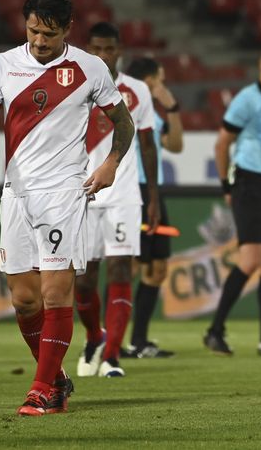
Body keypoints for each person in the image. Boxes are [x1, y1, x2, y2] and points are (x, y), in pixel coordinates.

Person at [0, 0, 134, 415]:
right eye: (33, 31)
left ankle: (40, 388)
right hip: (16, 192)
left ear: (67, 29)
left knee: (53, 292)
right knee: (24, 300)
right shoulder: (3, 65)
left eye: (48, 33)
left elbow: (124, 123)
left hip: (65, 191)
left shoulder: (90, 67)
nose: (39, 41)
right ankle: (58, 379)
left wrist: (112, 163)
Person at [74, 22, 160, 378]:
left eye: (109, 49)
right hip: (81, 192)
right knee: (84, 280)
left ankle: (111, 356)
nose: (103, 55)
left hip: (124, 194)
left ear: (119, 50)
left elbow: (147, 144)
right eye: (96, 48)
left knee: (122, 270)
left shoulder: (136, 91)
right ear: (88, 49)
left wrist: (153, 196)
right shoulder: (74, 85)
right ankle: (95, 336)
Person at [203, 42, 261, 357]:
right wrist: (226, 187)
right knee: (251, 261)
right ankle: (215, 330)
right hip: (249, 183)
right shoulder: (247, 99)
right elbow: (222, 143)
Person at [121, 56, 183, 359]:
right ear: (147, 81)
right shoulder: (122, 106)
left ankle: (138, 341)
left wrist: (172, 108)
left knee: (157, 269)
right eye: (159, 79)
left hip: (154, 192)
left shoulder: (154, 114)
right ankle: (111, 340)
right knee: (128, 265)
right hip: (132, 190)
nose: (162, 84)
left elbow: (176, 145)